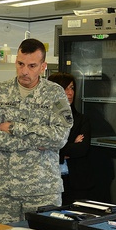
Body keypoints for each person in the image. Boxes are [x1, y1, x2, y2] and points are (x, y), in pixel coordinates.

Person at [0, 38, 73, 224]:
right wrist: (37, 141)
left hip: (41, 190)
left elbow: (59, 138)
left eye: (32, 65)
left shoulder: (55, 94)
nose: (24, 71)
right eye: (20, 64)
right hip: (4, 189)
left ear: (43, 66)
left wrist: (13, 128)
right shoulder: (0, 92)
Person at [48, 72, 100, 206]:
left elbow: (81, 149)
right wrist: (70, 145)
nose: (69, 93)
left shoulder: (82, 120)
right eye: (64, 88)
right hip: (49, 181)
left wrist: (56, 149)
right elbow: (38, 145)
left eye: (72, 88)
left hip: (76, 183)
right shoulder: (43, 120)